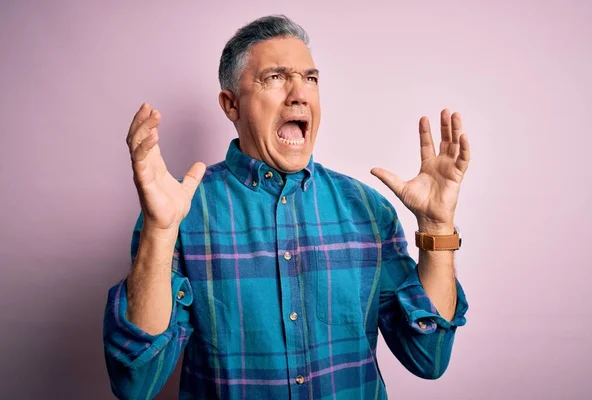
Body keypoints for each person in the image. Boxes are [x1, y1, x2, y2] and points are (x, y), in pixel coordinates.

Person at [103, 14, 470, 400]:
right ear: (231, 104)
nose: (300, 94)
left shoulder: (368, 210)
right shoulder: (181, 212)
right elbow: (135, 382)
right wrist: (161, 233)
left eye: (310, 79)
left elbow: (428, 357)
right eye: (275, 78)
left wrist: (436, 227)